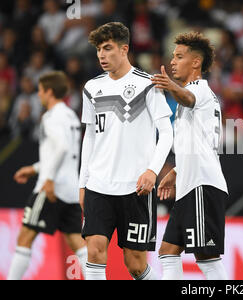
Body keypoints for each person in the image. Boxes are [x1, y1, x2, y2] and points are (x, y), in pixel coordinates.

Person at [78, 22, 173, 280]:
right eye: (99, 49)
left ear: (124, 49)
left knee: (135, 264)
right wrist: (83, 182)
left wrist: (153, 171)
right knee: (94, 252)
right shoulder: (91, 88)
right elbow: (90, 138)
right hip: (99, 184)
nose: (101, 55)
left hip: (136, 188)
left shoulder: (148, 85)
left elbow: (167, 132)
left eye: (107, 49)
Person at [152, 32, 229, 280]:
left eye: (179, 56)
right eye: (173, 56)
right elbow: (198, 144)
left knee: (206, 257)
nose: (173, 61)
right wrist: (175, 171)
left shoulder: (200, 90)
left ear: (195, 62)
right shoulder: (197, 97)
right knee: (167, 251)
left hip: (202, 185)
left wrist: (169, 85)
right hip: (189, 185)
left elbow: (188, 98)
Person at [8, 71, 87, 280]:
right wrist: (34, 168)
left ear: (49, 92)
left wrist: (48, 178)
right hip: (70, 188)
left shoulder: (51, 116)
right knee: (76, 241)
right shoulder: (70, 114)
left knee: (25, 236)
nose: (39, 95)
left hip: (51, 187)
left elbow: (60, 147)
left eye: (41, 91)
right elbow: (64, 151)